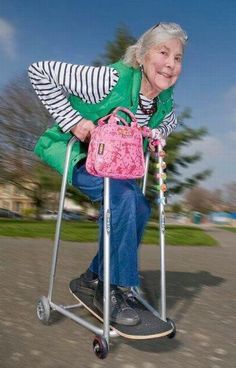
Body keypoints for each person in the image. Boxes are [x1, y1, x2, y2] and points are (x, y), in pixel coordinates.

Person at [28, 22, 188, 326]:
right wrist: (73, 122)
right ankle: (114, 289)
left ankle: (93, 277)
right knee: (124, 199)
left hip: (115, 163)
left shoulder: (164, 101)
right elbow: (39, 71)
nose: (170, 64)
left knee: (139, 205)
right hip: (76, 152)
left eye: (178, 57)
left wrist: (155, 134)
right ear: (141, 56)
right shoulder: (108, 78)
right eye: (163, 52)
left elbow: (169, 123)